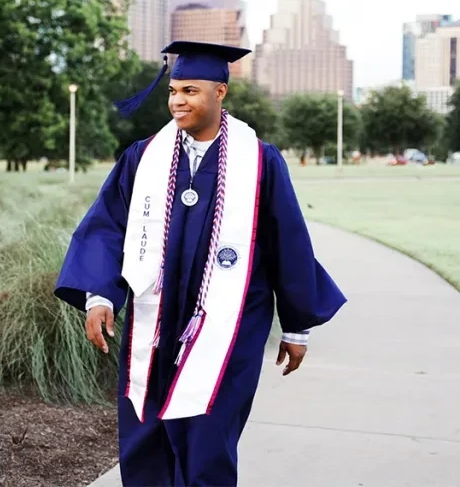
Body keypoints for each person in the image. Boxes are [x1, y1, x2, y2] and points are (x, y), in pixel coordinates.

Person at [53, 41, 347, 486]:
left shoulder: (259, 161)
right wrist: (100, 296)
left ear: (220, 93)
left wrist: (296, 326)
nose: (177, 101)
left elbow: (287, 242)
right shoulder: (143, 157)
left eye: (190, 90)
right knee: (146, 432)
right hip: (155, 322)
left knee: (209, 436)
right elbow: (108, 226)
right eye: (173, 91)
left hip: (231, 328)